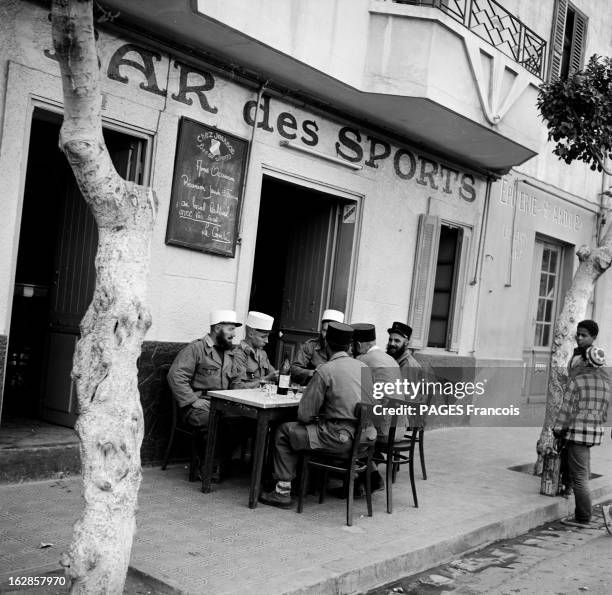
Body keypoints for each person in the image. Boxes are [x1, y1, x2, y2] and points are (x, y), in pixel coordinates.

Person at [259, 322, 375, 508]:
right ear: (350, 346)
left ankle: (282, 491)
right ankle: (308, 484)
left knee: (284, 431)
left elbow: (304, 415)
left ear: (326, 345)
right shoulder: (364, 368)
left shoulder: (325, 370)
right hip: (364, 438)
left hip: (339, 439)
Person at [167, 309, 243, 479]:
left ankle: (221, 462)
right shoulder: (196, 349)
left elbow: (236, 380)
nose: (234, 334)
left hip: (223, 404)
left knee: (243, 421)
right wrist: (193, 400)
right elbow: (176, 376)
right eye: (230, 329)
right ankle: (208, 466)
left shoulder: (230, 352)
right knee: (212, 421)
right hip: (198, 406)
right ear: (217, 328)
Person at [553, 345, 610, 528]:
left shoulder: (577, 381)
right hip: (593, 433)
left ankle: (583, 518)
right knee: (583, 471)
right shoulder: (605, 384)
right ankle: (583, 514)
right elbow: (603, 413)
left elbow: (566, 409)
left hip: (577, 432)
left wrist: (558, 429)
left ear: (585, 361)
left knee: (579, 477)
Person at [352, 323, 405, 492]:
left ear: (358, 345)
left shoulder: (362, 360)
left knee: (347, 429)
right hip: (399, 428)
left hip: (383, 430)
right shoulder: (390, 358)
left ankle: (357, 481)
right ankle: (372, 476)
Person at [290, 309, 345, 385]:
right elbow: (294, 369)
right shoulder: (310, 346)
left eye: (330, 332)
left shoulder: (347, 351)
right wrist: (313, 373)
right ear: (320, 330)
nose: (326, 335)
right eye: (324, 330)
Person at [233, 311, 278, 389]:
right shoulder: (238, 353)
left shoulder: (262, 354)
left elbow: (273, 374)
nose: (267, 341)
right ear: (250, 334)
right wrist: (266, 379)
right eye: (263, 337)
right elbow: (238, 386)